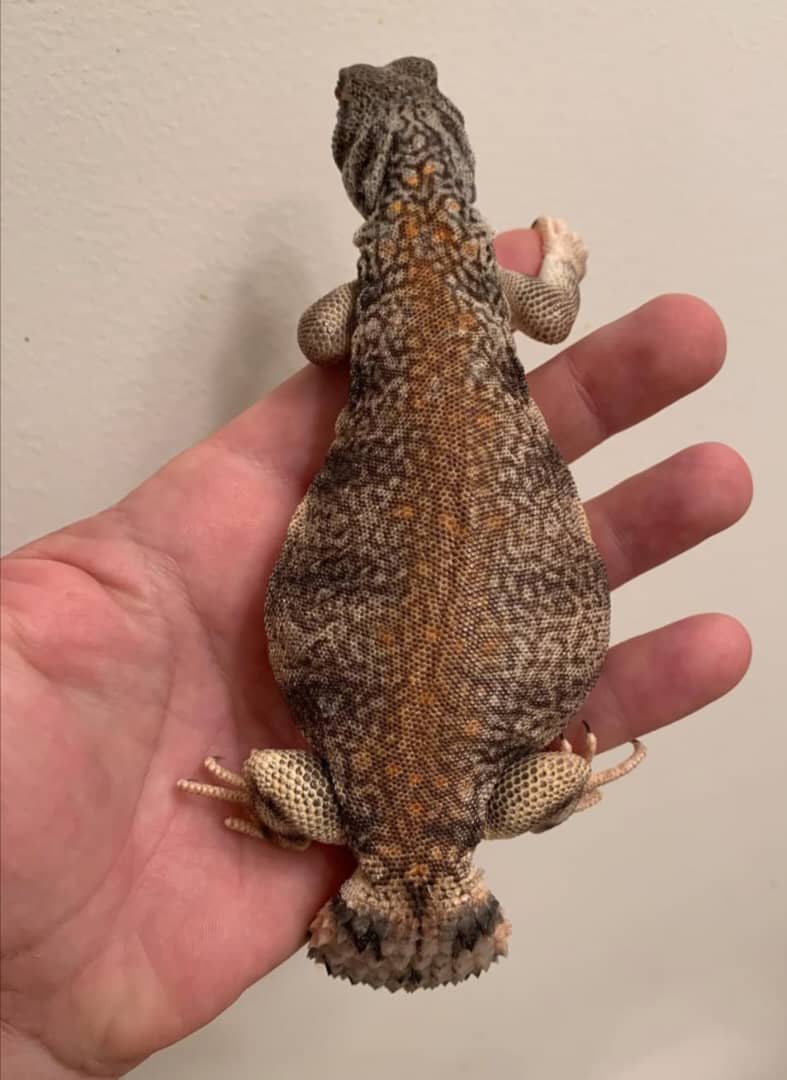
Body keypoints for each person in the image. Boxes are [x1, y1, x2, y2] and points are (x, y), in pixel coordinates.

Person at [0, 229, 752, 1078]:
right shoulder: (354, 812)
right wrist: (273, 812)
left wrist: (566, 787)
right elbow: (277, 773)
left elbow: (524, 784)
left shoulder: (478, 810)